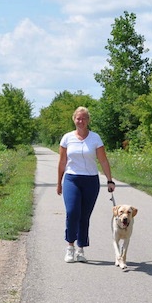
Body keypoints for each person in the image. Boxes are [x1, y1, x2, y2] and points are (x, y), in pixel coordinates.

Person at [57, 106, 115, 263]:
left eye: (84, 118)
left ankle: (81, 249)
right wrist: (59, 182)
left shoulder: (95, 138)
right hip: (71, 179)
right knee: (72, 212)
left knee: (84, 216)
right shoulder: (67, 138)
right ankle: (70, 247)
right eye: (78, 118)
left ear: (88, 120)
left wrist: (109, 180)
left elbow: (103, 160)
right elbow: (62, 162)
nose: (81, 121)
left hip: (90, 181)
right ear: (74, 119)